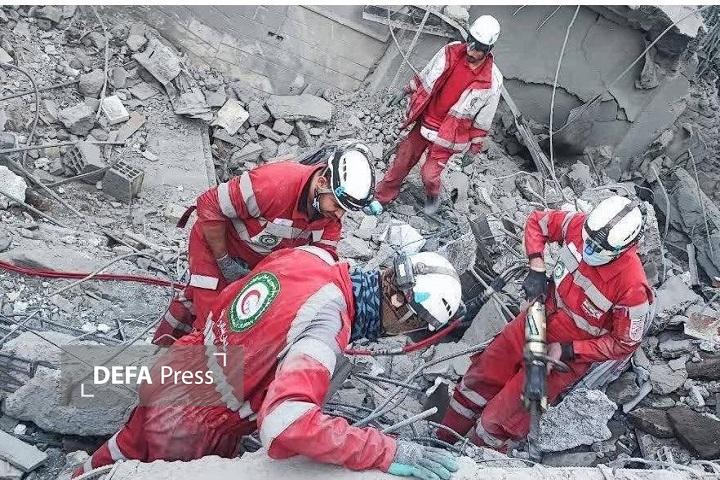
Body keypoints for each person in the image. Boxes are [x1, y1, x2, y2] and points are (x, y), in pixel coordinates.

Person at [75, 246, 463, 480]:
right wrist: (387, 451)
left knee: (123, 447)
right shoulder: (327, 326)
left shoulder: (313, 257)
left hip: (176, 367)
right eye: (413, 327)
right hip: (192, 424)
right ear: (403, 312)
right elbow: (285, 424)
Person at [438, 196, 654, 451]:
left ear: (622, 249)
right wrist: (537, 268)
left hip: (560, 357)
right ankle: (440, 441)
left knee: (500, 420)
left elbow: (624, 343)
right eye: (588, 240)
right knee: (478, 382)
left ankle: (469, 461)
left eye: (598, 248)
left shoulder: (633, 288)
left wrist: (571, 350)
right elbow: (537, 222)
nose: (589, 249)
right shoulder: (578, 225)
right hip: (534, 320)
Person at [152, 143, 377, 346]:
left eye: (344, 210)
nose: (338, 215)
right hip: (213, 247)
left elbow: (318, 266)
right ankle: (175, 368)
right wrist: (224, 261)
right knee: (214, 323)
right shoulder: (274, 183)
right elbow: (209, 204)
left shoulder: (329, 220)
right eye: (336, 205)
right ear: (321, 183)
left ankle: (160, 348)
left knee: (206, 303)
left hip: (252, 261)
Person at [376, 15, 503, 214]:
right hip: (425, 122)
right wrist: (405, 90)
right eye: (470, 42)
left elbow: (483, 120)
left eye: (478, 48)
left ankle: (433, 195)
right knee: (402, 160)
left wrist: (474, 149)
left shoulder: (492, 81)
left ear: (489, 49)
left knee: (429, 175)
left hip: (449, 136)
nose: (470, 50)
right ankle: (381, 198)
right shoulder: (450, 52)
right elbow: (427, 75)